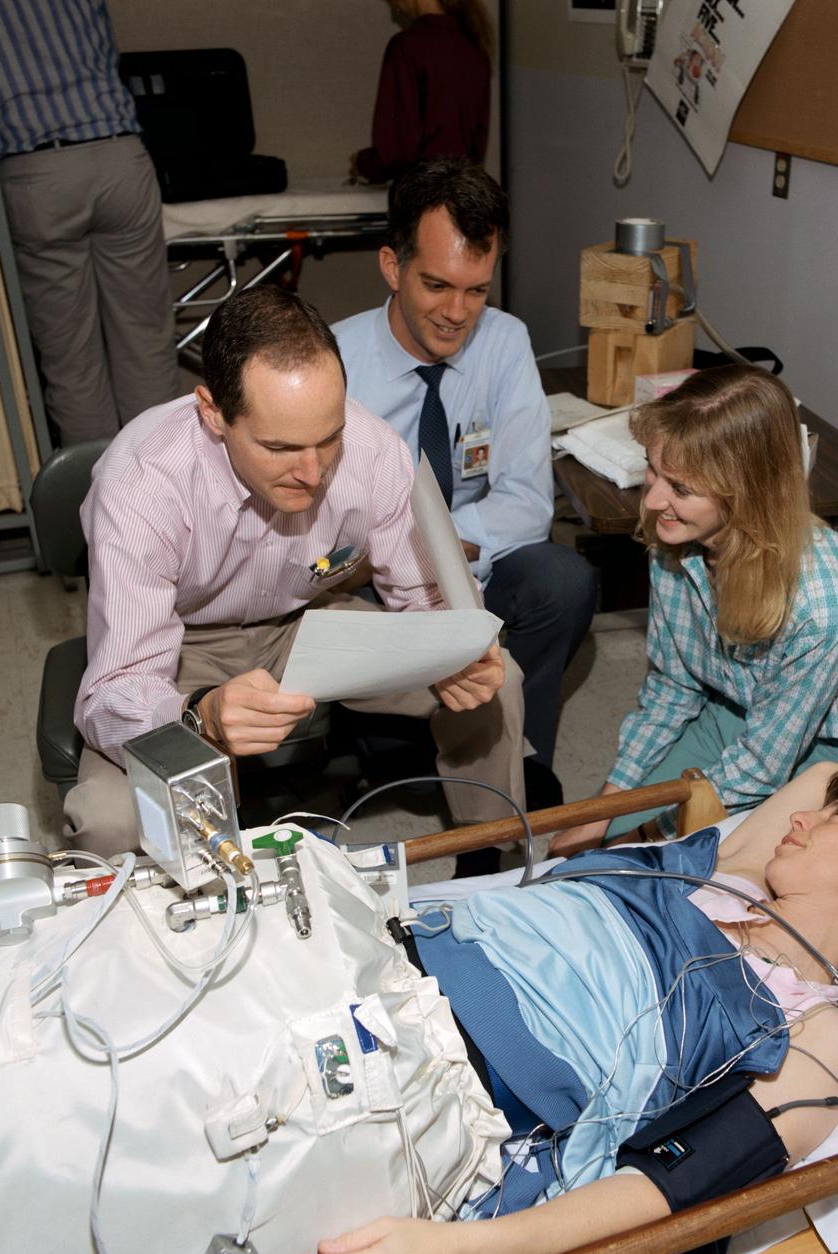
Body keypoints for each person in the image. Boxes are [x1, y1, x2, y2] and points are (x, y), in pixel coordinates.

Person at [297, 762, 838, 1254]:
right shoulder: (726, 871)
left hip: (454, 1063)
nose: (803, 819)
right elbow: (828, 774)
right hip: (387, 949)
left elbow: (675, 1181)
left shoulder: (822, 1032)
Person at [64, 285, 524, 855]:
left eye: (328, 438)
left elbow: (430, 600)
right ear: (213, 412)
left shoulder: (373, 452)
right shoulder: (141, 483)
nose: (312, 471)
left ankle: (495, 863)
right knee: (112, 820)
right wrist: (198, 716)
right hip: (178, 648)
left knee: (495, 683)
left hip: (304, 623)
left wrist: (458, 648)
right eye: (280, 447)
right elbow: (115, 687)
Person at [551, 365, 838, 856]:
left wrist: (647, 833)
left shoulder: (826, 609)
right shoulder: (677, 539)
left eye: (680, 488)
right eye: (652, 469)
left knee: (697, 871)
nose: (654, 499)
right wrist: (601, 812)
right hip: (729, 710)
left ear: (748, 493)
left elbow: (764, 762)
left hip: (834, 749)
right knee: (594, 845)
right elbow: (672, 690)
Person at [333, 159, 598, 776]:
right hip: (362, 572)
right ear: (392, 267)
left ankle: (517, 773)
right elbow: (316, 542)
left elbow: (528, 502)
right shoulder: (333, 360)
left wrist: (435, 547)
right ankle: (407, 742)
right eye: (437, 285)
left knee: (563, 579)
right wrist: (386, 557)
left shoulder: (503, 342)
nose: (458, 312)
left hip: (471, 554)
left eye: (476, 290)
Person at [0, 0, 179, 446]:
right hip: (118, 154)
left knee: (72, 362)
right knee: (146, 341)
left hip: (33, 169)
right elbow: (107, 51)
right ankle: (168, 492)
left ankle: (101, 500)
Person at [350, 0, 493, 185]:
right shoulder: (475, 47)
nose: (393, 5)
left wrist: (362, 163)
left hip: (420, 196)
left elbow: (396, 153)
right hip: (463, 195)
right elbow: (477, 141)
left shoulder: (407, 46)